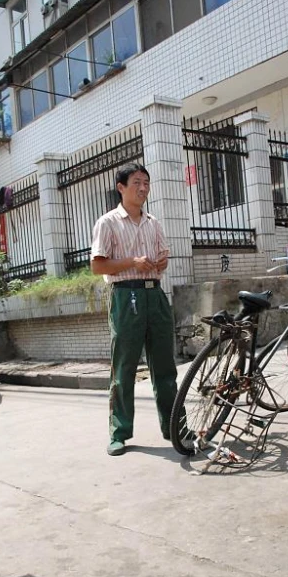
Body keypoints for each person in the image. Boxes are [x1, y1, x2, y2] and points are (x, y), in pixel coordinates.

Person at [91, 164, 179, 457]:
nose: (143, 188)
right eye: (137, 183)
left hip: (155, 297)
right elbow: (98, 265)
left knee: (165, 367)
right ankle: (119, 432)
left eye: (146, 183)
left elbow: (161, 255)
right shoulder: (108, 222)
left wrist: (161, 262)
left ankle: (174, 426)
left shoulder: (154, 223)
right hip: (125, 296)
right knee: (124, 368)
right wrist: (132, 262)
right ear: (121, 187)